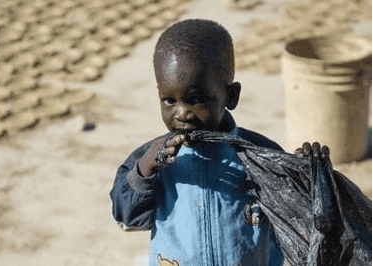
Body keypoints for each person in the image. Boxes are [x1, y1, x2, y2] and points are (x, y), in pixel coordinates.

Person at [109, 19, 328, 266]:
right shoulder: (152, 160)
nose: (182, 113)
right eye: (169, 100)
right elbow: (126, 219)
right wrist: (145, 170)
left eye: (197, 99)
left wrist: (312, 177)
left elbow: (304, 222)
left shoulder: (261, 155)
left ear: (231, 96)